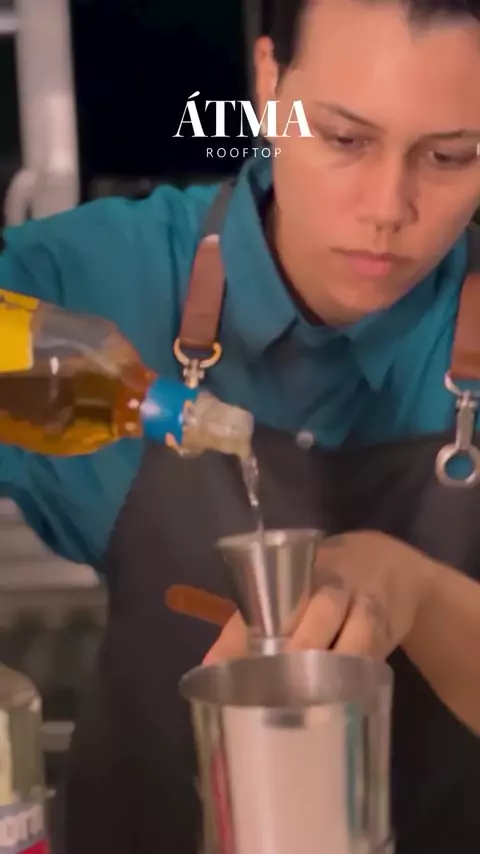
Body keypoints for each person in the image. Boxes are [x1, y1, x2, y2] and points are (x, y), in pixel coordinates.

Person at [1, 0, 480, 851]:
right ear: (268, 85)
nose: (387, 207)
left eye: (451, 156)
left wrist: (414, 587)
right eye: (344, 138)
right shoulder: (97, 282)